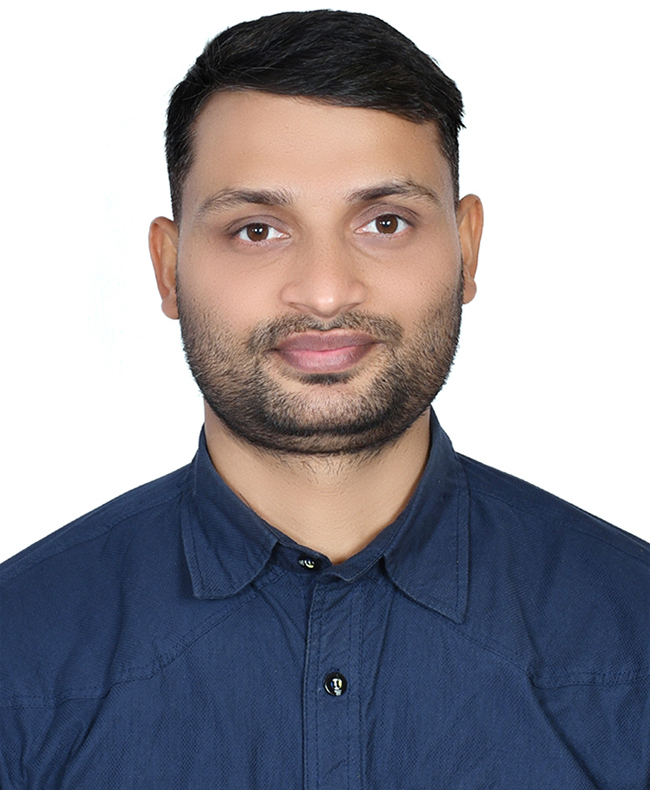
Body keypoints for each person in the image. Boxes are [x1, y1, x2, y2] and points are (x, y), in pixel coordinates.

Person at [0, 9, 647, 788]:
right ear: (169, 269)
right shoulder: (18, 657)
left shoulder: (634, 638)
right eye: (257, 230)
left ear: (467, 249)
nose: (325, 291)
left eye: (385, 222)